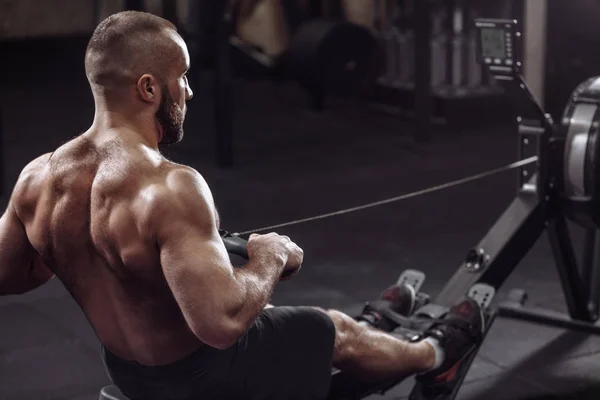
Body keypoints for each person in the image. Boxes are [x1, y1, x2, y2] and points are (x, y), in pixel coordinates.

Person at [0, 11, 485, 400]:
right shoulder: (170, 187)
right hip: (206, 379)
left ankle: (377, 333)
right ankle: (436, 356)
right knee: (330, 328)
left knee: (266, 310)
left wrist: (70, 246)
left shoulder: (38, 179)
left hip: (131, 375)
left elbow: (9, 275)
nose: (188, 91)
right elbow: (222, 324)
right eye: (182, 78)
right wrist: (270, 256)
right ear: (149, 88)